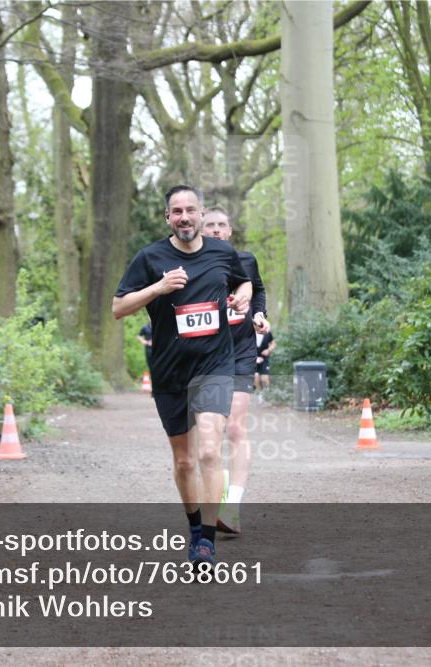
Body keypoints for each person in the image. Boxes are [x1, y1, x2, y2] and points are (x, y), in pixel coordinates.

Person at [113, 185, 252, 567]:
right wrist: (158, 287)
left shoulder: (222, 252)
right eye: (177, 211)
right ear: (168, 217)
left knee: (209, 450)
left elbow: (244, 280)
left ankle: (206, 542)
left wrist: (242, 294)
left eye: (191, 210)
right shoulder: (150, 258)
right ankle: (194, 528)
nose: (185, 217)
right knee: (185, 462)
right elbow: (118, 308)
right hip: (170, 371)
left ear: (201, 214)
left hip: (214, 366)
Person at [201, 205, 270, 535]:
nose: (216, 229)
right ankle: (221, 484)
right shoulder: (192, 266)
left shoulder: (246, 260)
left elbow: (258, 289)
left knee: (235, 429)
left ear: (229, 231)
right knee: (209, 435)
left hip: (241, 352)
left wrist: (260, 316)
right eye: (210, 225)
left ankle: (233, 507)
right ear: (200, 230)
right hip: (204, 356)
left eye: (221, 225)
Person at [254, 329, 276, 399]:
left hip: (264, 358)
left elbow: (273, 344)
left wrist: (268, 350)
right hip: (253, 359)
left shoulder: (267, 332)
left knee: (264, 379)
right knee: (255, 378)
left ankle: (267, 394)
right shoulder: (249, 332)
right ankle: (259, 395)